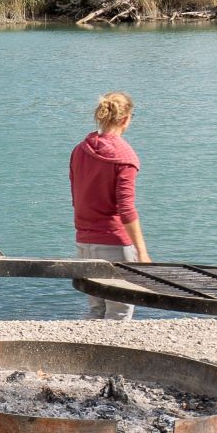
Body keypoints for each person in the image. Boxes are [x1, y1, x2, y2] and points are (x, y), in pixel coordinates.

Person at [70, 92, 149, 321]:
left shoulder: (80, 150)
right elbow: (126, 209)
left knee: (97, 311)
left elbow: (77, 197)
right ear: (126, 119)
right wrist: (142, 252)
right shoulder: (125, 156)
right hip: (114, 243)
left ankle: (85, 355)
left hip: (84, 241)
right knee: (119, 313)